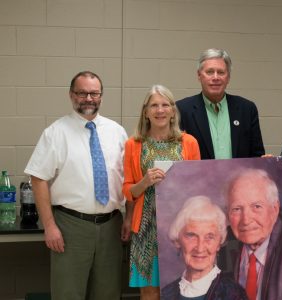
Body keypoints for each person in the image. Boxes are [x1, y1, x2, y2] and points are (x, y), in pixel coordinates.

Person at [24, 71, 128, 300]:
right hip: (71, 226)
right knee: (68, 294)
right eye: (82, 93)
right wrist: (50, 226)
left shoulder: (117, 132)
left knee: (108, 294)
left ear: (101, 96)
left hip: (111, 225)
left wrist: (127, 217)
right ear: (71, 95)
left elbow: (128, 179)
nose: (88, 98)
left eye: (94, 93)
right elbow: (38, 178)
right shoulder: (55, 133)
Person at [122, 84, 201, 300]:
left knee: (183, 290)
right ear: (145, 112)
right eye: (154, 105)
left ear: (173, 110)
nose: (160, 110)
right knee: (149, 291)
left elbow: (199, 186)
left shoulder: (189, 142)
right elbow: (128, 190)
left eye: (165, 104)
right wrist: (145, 181)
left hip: (182, 229)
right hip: (146, 229)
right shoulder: (133, 144)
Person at [220, 168, 282, 300]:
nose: (246, 220)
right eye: (236, 209)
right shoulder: (220, 243)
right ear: (227, 214)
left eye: (256, 206)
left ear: (274, 209)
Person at [177, 48, 265, 159]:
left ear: (228, 77)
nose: (215, 77)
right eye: (209, 72)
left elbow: (257, 156)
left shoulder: (247, 109)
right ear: (199, 75)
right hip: (200, 176)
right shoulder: (182, 110)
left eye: (221, 72)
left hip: (240, 176)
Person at [161, 196, 248, 300]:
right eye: (191, 235)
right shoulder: (165, 294)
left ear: (219, 243)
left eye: (209, 237)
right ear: (177, 241)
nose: (200, 248)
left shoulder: (233, 294)